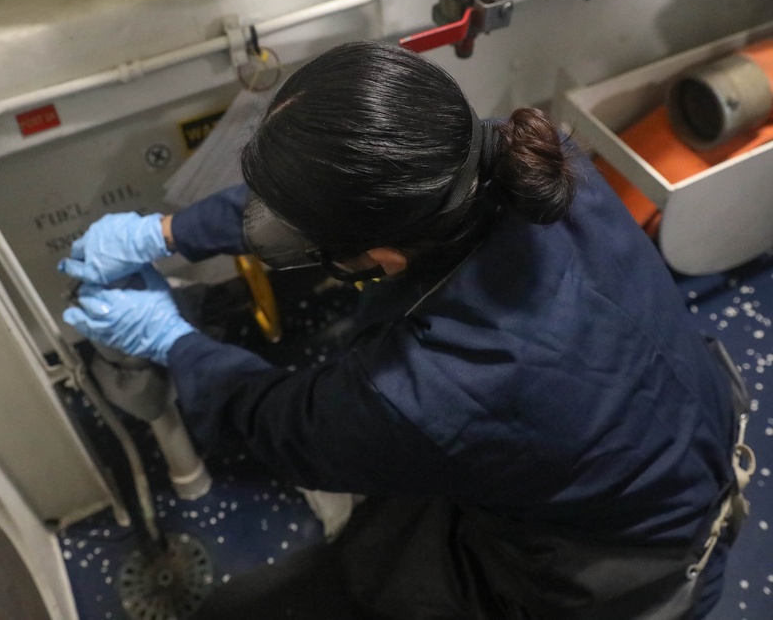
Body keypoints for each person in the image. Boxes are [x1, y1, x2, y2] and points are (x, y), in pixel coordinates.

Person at [59, 41, 751, 619]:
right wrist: (170, 231)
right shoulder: (534, 158)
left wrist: (172, 339)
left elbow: (284, 427)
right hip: (675, 440)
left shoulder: (429, 388)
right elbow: (350, 179)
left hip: (618, 574)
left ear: (384, 257)